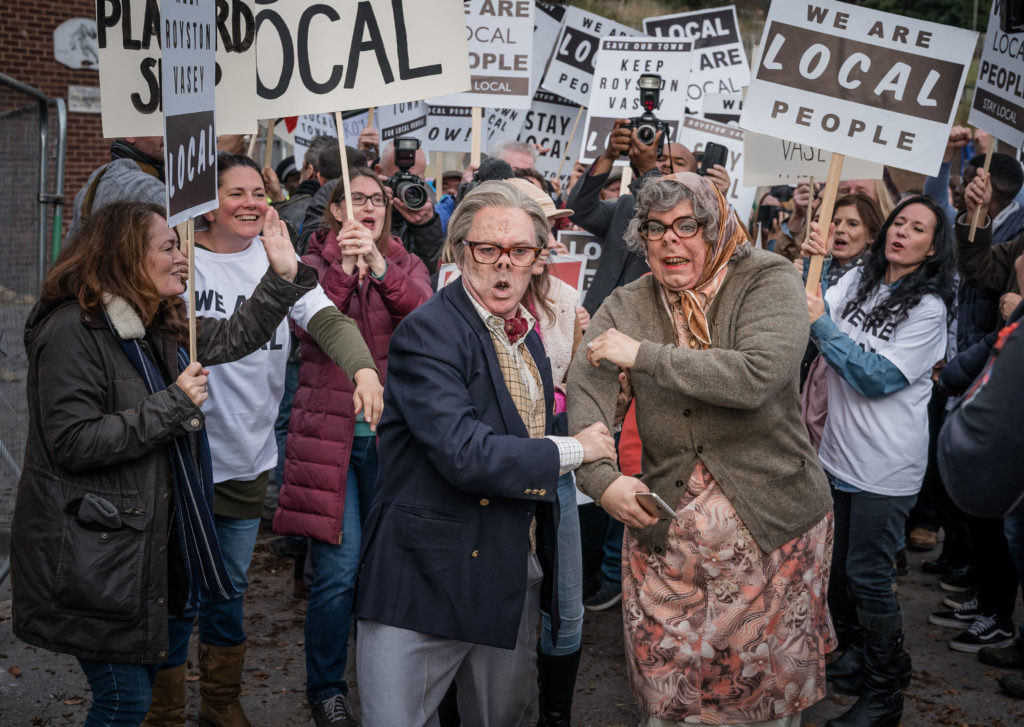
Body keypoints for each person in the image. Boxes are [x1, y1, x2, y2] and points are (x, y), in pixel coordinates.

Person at [11, 200, 319, 726]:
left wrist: (284, 276)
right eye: (169, 246)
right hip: (97, 554)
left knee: (137, 693)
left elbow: (236, 334)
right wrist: (174, 404)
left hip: (143, 546)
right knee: (124, 701)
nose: (184, 259)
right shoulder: (72, 332)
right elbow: (73, 441)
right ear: (125, 257)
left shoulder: (154, 321)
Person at [569, 174, 834, 727]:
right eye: (655, 229)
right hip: (666, 530)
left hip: (772, 526)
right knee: (668, 692)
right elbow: (587, 386)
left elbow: (757, 375)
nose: (670, 241)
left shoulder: (768, 278)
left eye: (686, 226)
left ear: (714, 230)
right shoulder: (628, 301)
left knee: (759, 695)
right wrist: (601, 479)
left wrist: (644, 355)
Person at [353, 181, 616, 727]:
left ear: (540, 260)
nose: (504, 266)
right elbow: (465, 454)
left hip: (504, 572)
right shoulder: (430, 332)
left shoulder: (529, 335)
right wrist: (575, 448)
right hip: (424, 576)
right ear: (458, 251)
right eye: (487, 250)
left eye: (520, 252)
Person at [159, 154, 381, 727]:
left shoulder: (278, 259)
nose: (252, 203)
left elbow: (329, 320)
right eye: (235, 193)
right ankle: (160, 710)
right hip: (181, 458)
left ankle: (221, 703)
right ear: (208, 203)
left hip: (246, 458)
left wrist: (361, 369)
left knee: (228, 590)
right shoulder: (179, 262)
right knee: (175, 591)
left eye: (259, 192)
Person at [274, 167, 432, 726]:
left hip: (393, 441)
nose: (370, 207)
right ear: (337, 208)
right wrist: (342, 272)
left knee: (385, 569)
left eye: (379, 200)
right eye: (358, 198)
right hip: (331, 441)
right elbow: (307, 328)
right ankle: (326, 688)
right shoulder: (310, 263)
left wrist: (383, 269)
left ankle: (386, 681)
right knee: (338, 572)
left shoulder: (405, 260)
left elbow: (425, 318)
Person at [803, 195, 956, 726]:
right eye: (898, 222)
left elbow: (875, 378)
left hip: (883, 468)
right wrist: (814, 265)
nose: (901, 233)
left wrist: (823, 325)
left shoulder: (929, 309)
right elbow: (812, 305)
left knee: (868, 576)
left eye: (917, 229)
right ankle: (857, 657)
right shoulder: (862, 280)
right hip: (837, 456)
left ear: (933, 247)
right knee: (839, 571)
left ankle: (885, 692)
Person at [67, 136, 166, 239]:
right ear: (130, 135)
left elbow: (70, 250)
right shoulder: (145, 186)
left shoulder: (93, 183)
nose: (165, 133)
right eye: (157, 125)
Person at [374, 140, 446, 272]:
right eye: (398, 179)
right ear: (378, 172)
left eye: (415, 180)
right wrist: (373, 206)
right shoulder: (358, 198)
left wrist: (426, 226)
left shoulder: (425, 204)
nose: (408, 189)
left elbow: (431, 270)